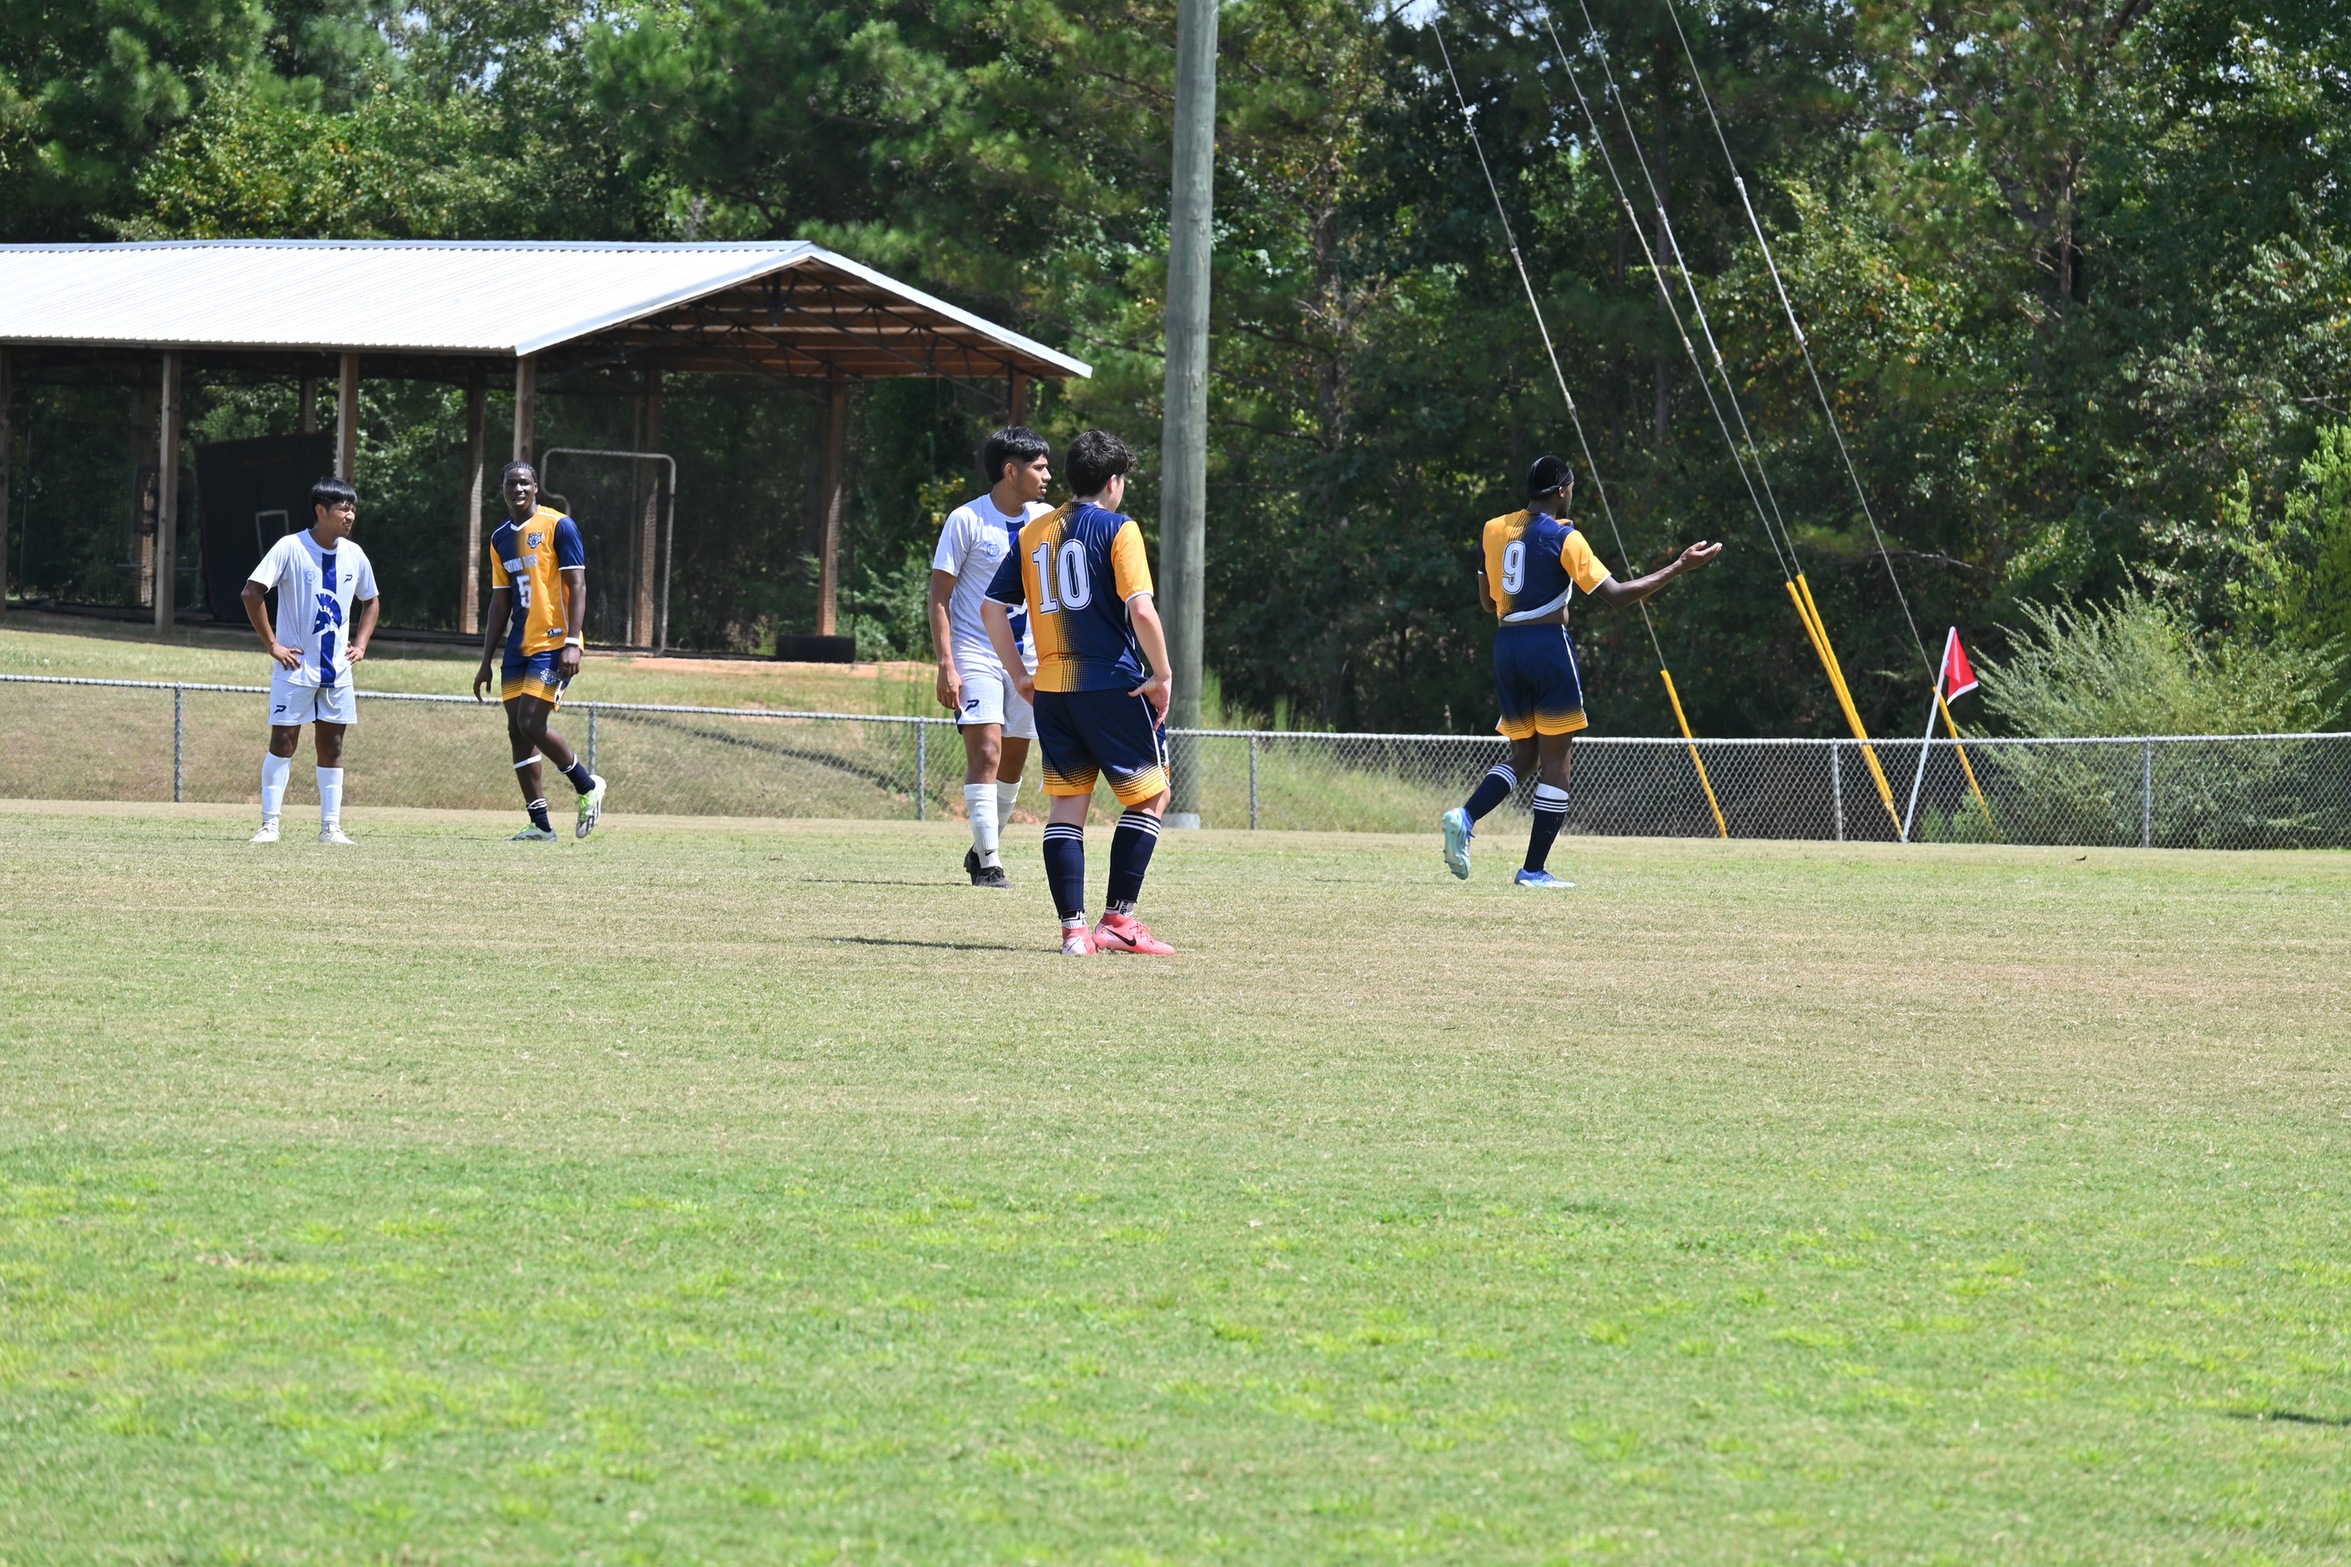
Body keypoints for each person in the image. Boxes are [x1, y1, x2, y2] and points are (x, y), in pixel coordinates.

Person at [1442, 455, 1720, 886]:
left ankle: (1465, 815)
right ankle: (1533, 870)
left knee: (1525, 754)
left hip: (1506, 646)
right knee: (1556, 760)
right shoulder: (1567, 539)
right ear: (1560, 491)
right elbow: (1617, 595)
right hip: (1547, 648)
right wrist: (1680, 566)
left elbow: (1486, 602)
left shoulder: (1492, 529)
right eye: (1570, 488)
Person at [980, 430, 1177, 955]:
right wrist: (1162, 675)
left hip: (1053, 690)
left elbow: (991, 609)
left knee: (1067, 808)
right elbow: (1140, 608)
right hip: (1111, 685)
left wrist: (1020, 676)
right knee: (1153, 794)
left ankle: (1073, 933)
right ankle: (1118, 921)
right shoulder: (1120, 529)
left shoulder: (1033, 531)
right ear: (1113, 482)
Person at [930, 426, 1054, 887]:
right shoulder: (965, 520)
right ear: (1010, 471)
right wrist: (946, 663)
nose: (1046, 475)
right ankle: (990, 863)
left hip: (1029, 660)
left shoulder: (1048, 519)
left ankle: (982, 846)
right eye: (1038, 467)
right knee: (986, 750)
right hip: (974, 651)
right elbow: (939, 598)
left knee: (1014, 761)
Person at [472, 461, 607, 842]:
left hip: (554, 644)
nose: (518, 489)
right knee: (517, 732)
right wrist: (486, 661)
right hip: (519, 647)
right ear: (502, 488)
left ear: (536, 487)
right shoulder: (500, 537)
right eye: (511, 483)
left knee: (532, 722)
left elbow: (577, 585)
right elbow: (500, 602)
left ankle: (586, 786)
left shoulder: (558, 525)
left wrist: (572, 641)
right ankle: (540, 825)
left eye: (524, 483)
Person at [241, 476, 380, 845]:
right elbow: (252, 592)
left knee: (332, 746)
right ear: (321, 511)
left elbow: (372, 600)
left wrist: (361, 644)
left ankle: (330, 827)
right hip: (296, 668)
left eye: (353, 508)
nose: (350, 515)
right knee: (283, 742)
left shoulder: (354, 554)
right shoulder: (290, 547)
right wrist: (273, 644)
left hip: (337, 671)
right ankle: (270, 824)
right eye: (343, 508)